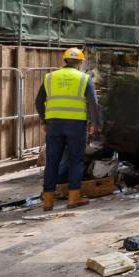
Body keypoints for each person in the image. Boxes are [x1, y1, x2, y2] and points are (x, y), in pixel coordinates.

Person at [36, 47, 99, 211]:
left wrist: (44, 121)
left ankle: (48, 201)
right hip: (76, 126)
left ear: (64, 60)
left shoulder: (50, 77)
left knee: (52, 161)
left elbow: (38, 101)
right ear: (80, 62)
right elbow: (93, 104)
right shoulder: (84, 78)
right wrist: (94, 124)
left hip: (54, 125)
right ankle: (73, 198)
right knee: (75, 160)